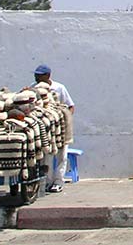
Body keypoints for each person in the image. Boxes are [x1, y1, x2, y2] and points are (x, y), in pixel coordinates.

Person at [34, 64, 75, 192]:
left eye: (40, 75)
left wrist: (64, 119)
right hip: (46, 128)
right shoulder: (34, 88)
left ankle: (58, 182)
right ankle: (47, 181)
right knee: (47, 155)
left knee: (61, 156)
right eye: (36, 75)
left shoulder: (59, 88)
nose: (37, 78)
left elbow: (70, 106)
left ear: (48, 75)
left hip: (60, 128)